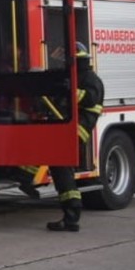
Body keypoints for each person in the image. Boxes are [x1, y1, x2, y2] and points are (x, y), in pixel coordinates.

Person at [46, 42, 104, 232]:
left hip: (78, 129)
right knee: (57, 164)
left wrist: (68, 89)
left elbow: (89, 99)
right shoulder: (78, 76)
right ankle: (70, 214)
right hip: (68, 127)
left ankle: (71, 216)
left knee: (62, 169)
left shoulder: (90, 79)